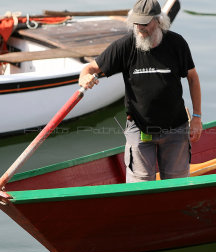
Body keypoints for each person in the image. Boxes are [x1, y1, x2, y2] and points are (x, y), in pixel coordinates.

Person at [79, 0, 202, 183]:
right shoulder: (125, 46)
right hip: (139, 128)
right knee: (140, 187)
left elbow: (193, 78)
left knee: (177, 186)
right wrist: (84, 77)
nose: (139, 28)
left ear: (158, 21)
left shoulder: (176, 43)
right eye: (136, 22)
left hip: (175, 129)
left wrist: (197, 117)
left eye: (144, 23)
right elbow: (89, 69)